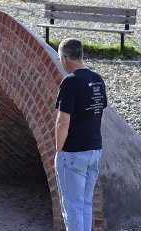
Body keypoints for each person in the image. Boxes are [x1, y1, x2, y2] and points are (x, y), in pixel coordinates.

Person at [54, 38, 107, 231]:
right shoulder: (98, 80)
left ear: (66, 58)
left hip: (73, 153)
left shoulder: (70, 82)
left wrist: (59, 151)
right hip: (94, 149)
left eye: (60, 58)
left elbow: (62, 122)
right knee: (85, 204)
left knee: (72, 207)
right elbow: (101, 116)